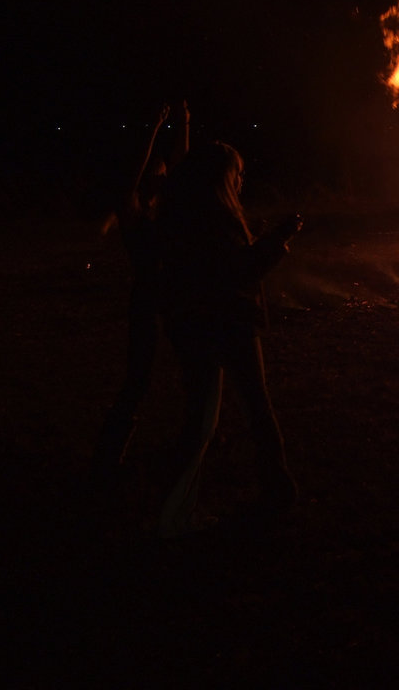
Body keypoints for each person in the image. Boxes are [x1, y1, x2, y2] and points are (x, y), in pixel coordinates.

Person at [155, 139, 302, 537]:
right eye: (236, 175)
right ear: (220, 178)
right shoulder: (214, 218)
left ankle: (179, 510)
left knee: (207, 417)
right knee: (245, 410)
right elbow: (237, 271)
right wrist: (279, 238)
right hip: (223, 322)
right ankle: (175, 516)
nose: (240, 182)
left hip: (195, 323)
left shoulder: (187, 213)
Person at [91, 100, 189, 488]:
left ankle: (195, 438)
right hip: (149, 300)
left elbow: (182, 164)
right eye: (159, 173)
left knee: (192, 373)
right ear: (150, 178)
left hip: (176, 298)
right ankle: (109, 455)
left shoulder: (166, 208)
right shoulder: (133, 211)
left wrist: (182, 123)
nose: (166, 177)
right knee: (138, 379)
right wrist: (153, 129)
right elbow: (132, 175)